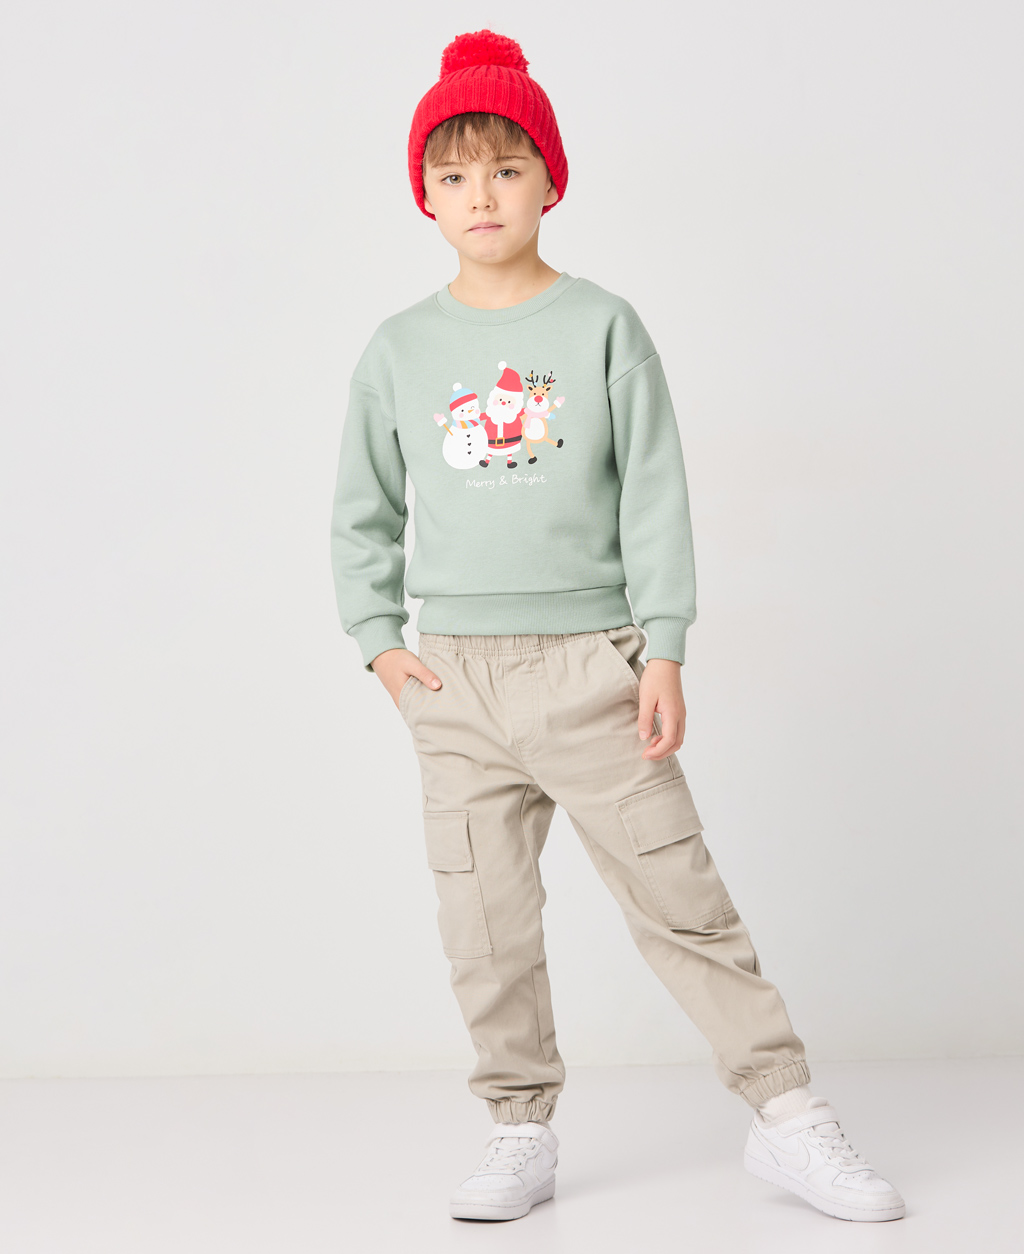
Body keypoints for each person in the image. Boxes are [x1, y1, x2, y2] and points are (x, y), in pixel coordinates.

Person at [330, 28, 905, 1226]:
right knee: (482, 924)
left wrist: (664, 644)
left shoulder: (601, 327)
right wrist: (381, 641)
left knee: (679, 897)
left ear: (548, 178)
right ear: (423, 194)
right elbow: (363, 510)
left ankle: (787, 1115)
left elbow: (652, 493)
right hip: (455, 682)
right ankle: (517, 1127)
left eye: (504, 168)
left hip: (590, 664)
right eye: (451, 174)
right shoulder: (398, 350)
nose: (480, 196)